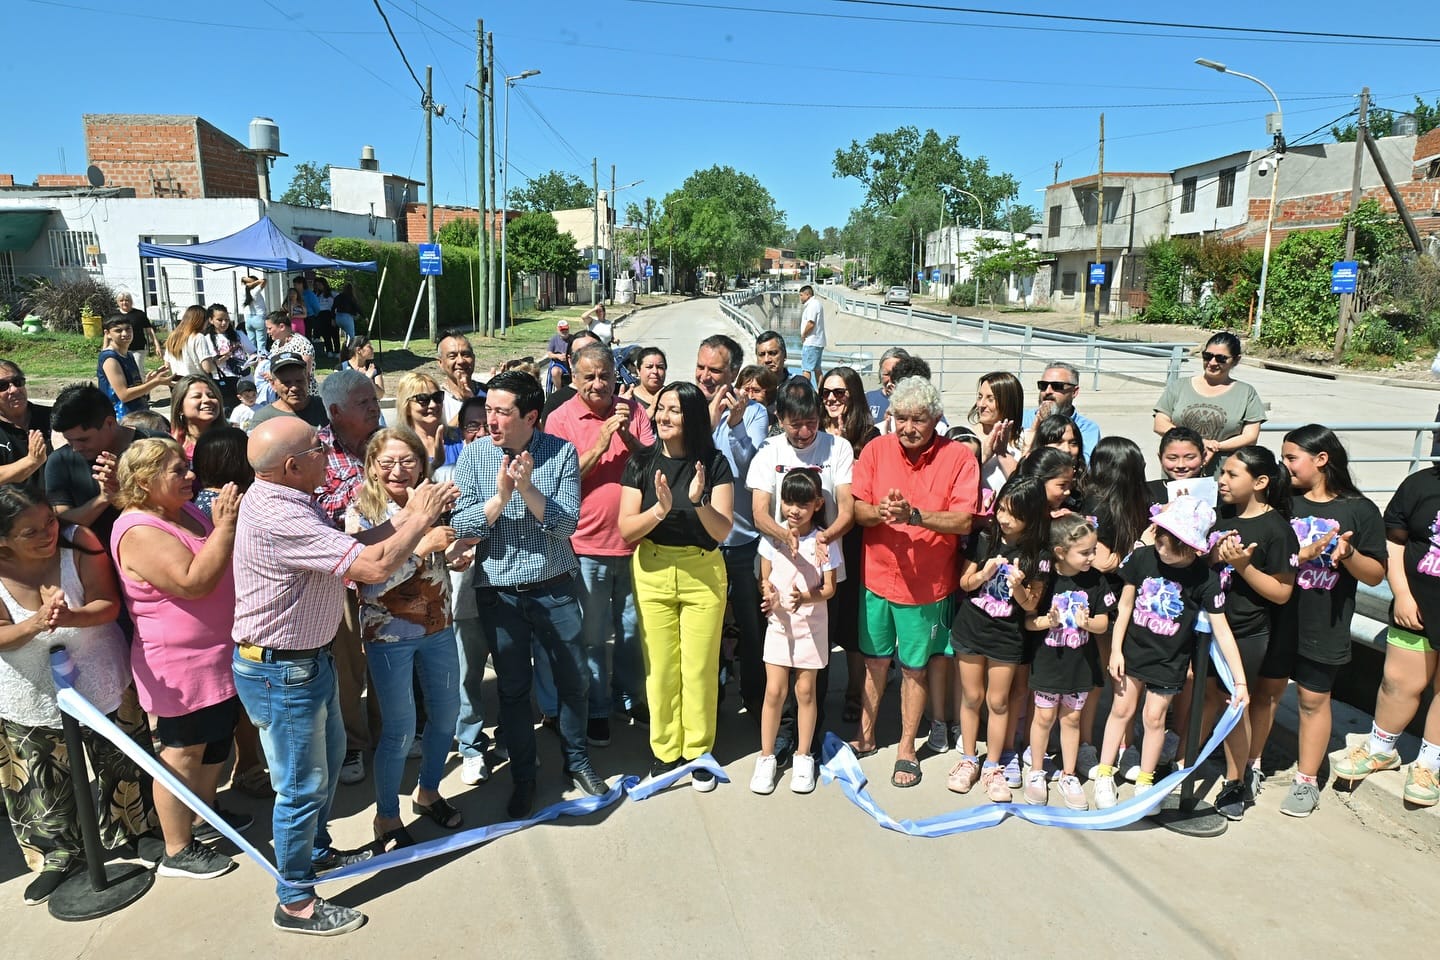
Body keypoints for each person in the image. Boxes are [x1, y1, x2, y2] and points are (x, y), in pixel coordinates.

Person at [231, 416, 456, 936]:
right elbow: (373, 570)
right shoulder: (281, 517)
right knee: (301, 787)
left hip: (305, 663)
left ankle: (314, 852)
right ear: (292, 466)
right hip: (283, 669)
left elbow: (360, 545)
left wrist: (408, 521)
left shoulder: (288, 499)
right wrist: (418, 522)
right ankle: (295, 903)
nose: (327, 455)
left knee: (326, 766)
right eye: (317, 449)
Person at [450, 371, 608, 819]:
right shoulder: (476, 454)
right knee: (515, 692)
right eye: (489, 410)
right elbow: (462, 525)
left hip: (554, 587)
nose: (490, 420)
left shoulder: (559, 454)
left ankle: (577, 761)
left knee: (573, 679)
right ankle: (524, 777)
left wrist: (527, 488)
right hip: (499, 594)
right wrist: (500, 497)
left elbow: (564, 525)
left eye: (502, 412)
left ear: (531, 417)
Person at [0, 486, 155, 905]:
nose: (48, 532)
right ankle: (58, 857)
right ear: (3, 541)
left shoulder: (78, 539)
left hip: (100, 672)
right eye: (30, 531)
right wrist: (35, 623)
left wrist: (70, 616)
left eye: (49, 520)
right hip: (28, 689)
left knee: (121, 760)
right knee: (42, 778)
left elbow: (107, 603)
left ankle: (138, 831)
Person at [112, 438, 244, 880]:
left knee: (215, 741)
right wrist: (224, 526)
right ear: (145, 482)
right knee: (183, 751)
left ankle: (204, 818)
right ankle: (177, 848)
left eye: (186, 466)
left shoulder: (180, 510)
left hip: (216, 653)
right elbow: (192, 582)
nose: (190, 475)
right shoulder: (139, 530)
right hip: (179, 664)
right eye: (177, 470)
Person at [849, 376, 980, 788]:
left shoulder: (959, 458)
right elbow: (857, 509)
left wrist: (915, 516)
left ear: (936, 419)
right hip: (876, 579)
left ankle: (907, 749)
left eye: (917, 420)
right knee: (873, 661)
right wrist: (881, 512)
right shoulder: (875, 449)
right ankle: (867, 736)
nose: (907, 428)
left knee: (915, 669)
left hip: (925, 587)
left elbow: (963, 520)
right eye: (900, 418)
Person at [1250, 425, 1386, 818]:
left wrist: (1348, 554)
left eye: (1292, 458)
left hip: (1323, 623)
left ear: (1321, 459)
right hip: (1277, 618)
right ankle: (1251, 766)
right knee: (1266, 694)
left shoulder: (1359, 510)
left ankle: (1306, 780)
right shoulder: (1282, 502)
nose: (1284, 465)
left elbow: (1376, 575)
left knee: (1313, 700)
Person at [345, 427, 468, 850]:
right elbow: (369, 584)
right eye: (388, 462)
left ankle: (429, 791)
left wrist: (452, 553)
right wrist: (421, 545)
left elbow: (441, 557)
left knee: (446, 714)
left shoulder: (431, 500)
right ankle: (386, 816)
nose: (399, 470)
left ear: (422, 461)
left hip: (439, 626)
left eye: (408, 460)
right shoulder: (361, 511)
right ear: (373, 468)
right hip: (389, 635)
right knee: (399, 730)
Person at [1092, 496, 1250, 809]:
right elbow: (1124, 606)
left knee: (1154, 718)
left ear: (1193, 548)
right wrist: (1116, 650)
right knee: (1121, 711)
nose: (1162, 550)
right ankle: (1105, 774)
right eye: (1161, 540)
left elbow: (1222, 630)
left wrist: (1240, 681)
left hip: (1170, 660)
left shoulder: (1206, 580)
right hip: (1132, 652)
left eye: (1172, 546)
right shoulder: (1142, 559)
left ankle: (1144, 782)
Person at [618, 381, 735, 789]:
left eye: (674, 410)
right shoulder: (640, 463)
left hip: (702, 572)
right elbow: (627, 529)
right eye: (661, 408)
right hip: (652, 571)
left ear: (693, 418)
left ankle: (698, 751)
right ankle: (666, 750)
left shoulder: (715, 463)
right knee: (662, 668)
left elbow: (722, 530)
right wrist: (660, 510)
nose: (663, 416)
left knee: (699, 667)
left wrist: (699, 501)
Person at [545, 345, 655, 744]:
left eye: (605, 375)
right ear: (574, 378)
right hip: (586, 545)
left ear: (615, 376)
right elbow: (558, 478)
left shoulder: (633, 411)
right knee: (591, 635)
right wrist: (600, 446)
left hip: (634, 541)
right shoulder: (560, 419)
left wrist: (625, 432)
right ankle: (597, 707)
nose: (598, 384)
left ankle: (631, 697)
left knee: (631, 630)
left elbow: (653, 461)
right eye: (589, 376)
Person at [746, 376, 854, 747]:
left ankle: (810, 735)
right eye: (796, 424)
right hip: (777, 567)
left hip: (823, 564)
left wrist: (823, 537)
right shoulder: (769, 452)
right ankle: (781, 734)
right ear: (780, 418)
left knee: (815, 661)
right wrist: (784, 536)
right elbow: (760, 512)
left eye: (812, 422)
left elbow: (847, 507)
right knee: (778, 655)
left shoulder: (837, 448)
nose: (806, 431)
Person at [1335, 451, 1440, 808]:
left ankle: (1429, 764)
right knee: (1397, 682)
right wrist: (1403, 594)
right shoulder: (1421, 484)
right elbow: (1394, 542)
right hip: (1418, 607)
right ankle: (1381, 750)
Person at [1204, 446, 1297, 820]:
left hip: (1246, 631)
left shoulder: (1277, 530)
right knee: (1208, 695)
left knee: (1234, 703)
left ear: (1260, 483)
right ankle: (1184, 761)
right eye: (1222, 473)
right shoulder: (1222, 515)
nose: (1222, 481)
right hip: (1210, 624)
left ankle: (1235, 781)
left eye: (1231, 475)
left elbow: (1282, 591)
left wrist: (1243, 566)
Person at [947, 475, 1048, 801]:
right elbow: (963, 584)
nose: (1004, 519)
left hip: (1007, 637)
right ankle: (967, 760)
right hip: (971, 629)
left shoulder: (1039, 554)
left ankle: (993, 766)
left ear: (1031, 517)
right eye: (1001, 509)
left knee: (998, 701)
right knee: (972, 697)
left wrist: (1017, 585)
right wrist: (983, 574)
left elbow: (1032, 604)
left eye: (1013, 514)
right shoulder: (986, 537)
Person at [693, 335, 770, 734]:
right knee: (704, 633)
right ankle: (709, 703)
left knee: (751, 630)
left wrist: (735, 425)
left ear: (733, 374)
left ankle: (757, 701)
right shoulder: (687, 405)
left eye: (715, 370)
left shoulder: (754, 413)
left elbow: (746, 468)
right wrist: (704, 416)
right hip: (698, 545)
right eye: (701, 367)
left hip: (741, 545)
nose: (705, 376)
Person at [314, 370, 386, 786]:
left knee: (388, 654)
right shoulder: (316, 450)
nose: (374, 405)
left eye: (373, 398)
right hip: (341, 573)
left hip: (389, 566)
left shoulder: (385, 442)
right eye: (364, 402)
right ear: (337, 411)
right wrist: (362, 492)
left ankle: (390, 732)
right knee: (346, 665)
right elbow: (315, 510)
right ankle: (353, 745)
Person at [751, 469, 839, 795]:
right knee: (774, 691)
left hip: (811, 625)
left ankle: (803, 757)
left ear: (817, 504)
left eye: (802, 503)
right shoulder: (772, 538)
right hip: (779, 625)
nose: (793, 510)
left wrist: (806, 596)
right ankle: (766, 757)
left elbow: (829, 588)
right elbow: (766, 579)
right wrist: (769, 595)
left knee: (805, 692)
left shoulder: (824, 541)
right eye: (788, 501)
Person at [1023, 514, 1116, 809]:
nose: (1092, 557)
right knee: (1044, 718)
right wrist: (1045, 622)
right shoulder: (1046, 580)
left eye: (1093, 550)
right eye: (1085, 552)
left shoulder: (1097, 580)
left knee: (1072, 719)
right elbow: (1028, 622)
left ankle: (1068, 774)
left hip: (1080, 666)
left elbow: (1104, 622)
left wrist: (1087, 623)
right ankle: (1037, 771)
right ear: (1061, 552)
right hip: (1049, 663)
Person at [820, 365, 879, 723]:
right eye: (826, 392)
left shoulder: (870, 437)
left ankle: (856, 694)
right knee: (823, 619)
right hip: (819, 537)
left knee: (855, 625)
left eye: (839, 393)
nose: (830, 399)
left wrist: (848, 454)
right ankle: (819, 691)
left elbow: (868, 489)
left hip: (856, 541)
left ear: (853, 396)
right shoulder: (814, 431)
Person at [44, 383, 166, 551]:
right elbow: (62, 522)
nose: (75, 448)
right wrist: (104, 498)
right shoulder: (60, 462)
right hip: (97, 564)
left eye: (83, 440)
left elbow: (179, 503)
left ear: (110, 422)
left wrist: (129, 486)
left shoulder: (157, 445)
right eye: (69, 440)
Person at [1153, 333, 1265, 476]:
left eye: (1221, 358)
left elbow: (1250, 437)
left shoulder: (1246, 392)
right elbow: (1160, 424)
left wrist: (1215, 447)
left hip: (1224, 475)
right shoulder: (1179, 387)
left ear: (1236, 360)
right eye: (1207, 356)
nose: (1212, 362)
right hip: (1179, 472)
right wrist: (1199, 443)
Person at [1020, 362, 1102, 460]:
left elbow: (1085, 465)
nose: (1048, 391)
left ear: (1074, 392)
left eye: (1057, 386)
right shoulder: (1022, 419)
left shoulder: (1087, 429)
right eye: (1043, 385)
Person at [969, 371, 1024, 510]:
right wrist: (983, 458)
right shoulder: (966, 438)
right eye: (980, 397)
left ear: (1008, 403)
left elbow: (1026, 488)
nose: (981, 404)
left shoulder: (1024, 441)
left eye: (990, 399)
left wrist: (1002, 454)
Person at [98, 315, 169, 420]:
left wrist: (149, 382)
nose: (125, 334)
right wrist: (155, 382)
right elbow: (124, 395)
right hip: (119, 418)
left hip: (137, 412)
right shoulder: (110, 358)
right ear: (107, 334)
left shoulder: (129, 355)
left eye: (128, 329)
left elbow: (135, 390)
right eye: (118, 331)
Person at [394, 373, 465, 479]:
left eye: (437, 397)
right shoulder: (398, 446)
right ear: (406, 407)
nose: (433, 405)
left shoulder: (461, 438)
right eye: (423, 399)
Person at [0, 361, 52, 498]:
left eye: (18, 382)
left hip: (62, 509)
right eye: (2, 386)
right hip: (13, 514)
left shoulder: (53, 417)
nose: (14, 390)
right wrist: (32, 461)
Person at [247, 353, 329, 430]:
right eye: (286, 383)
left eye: (299, 381)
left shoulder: (326, 408)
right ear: (273, 384)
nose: (294, 388)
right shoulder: (263, 420)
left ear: (307, 379)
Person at [542, 330, 603, 421]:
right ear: (570, 361)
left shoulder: (620, 395)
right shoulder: (555, 403)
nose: (588, 359)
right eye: (580, 354)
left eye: (595, 353)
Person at [1147, 426, 1208, 508]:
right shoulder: (1146, 492)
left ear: (1203, 457)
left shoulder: (1216, 494)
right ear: (1160, 458)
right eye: (1172, 458)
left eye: (1189, 457)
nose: (1181, 465)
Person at [264, 310, 318, 397]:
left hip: (302, 393)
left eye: (270, 328)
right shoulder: (276, 344)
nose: (267, 332)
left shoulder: (302, 343)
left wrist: (274, 375)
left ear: (281, 327)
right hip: (284, 393)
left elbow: (305, 371)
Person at [169, 375, 225, 459]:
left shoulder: (234, 440)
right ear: (180, 407)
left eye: (211, 396)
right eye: (197, 396)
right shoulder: (169, 444)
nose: (207, 400)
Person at [437, 333, 487, 427]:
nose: (460, 361)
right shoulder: (436, 401)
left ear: (474, 358)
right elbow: (444, 438)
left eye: (466, 355)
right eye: (452, 356)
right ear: (441, 363)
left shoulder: (489, 393)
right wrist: (468, 403)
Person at [163, 305, 221, 380]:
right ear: (201, 321)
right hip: (195, 382)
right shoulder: (198, 337)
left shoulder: (173, 337)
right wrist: (214, 362)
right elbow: (207, 368)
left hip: (176, 381)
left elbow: (167, 365)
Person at [115, 291, 161, 372]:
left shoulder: (139, 314)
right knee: (123, 371)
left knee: (137, 370)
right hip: (120, 348)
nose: (124, 302)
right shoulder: (114, 316)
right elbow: (108, 333)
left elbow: (149, 330)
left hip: (138, 348)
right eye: (121, 301)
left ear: (131, 302)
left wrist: (156, 345)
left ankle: (141, 383)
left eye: (127, 300)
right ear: (118, 302)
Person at [865, 347, 909, 425]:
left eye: (897, 374)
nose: (891, 379)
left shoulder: (914, 402)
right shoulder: (868, 399)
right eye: (886, 374)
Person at [797, 284, 826, 383]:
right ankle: (821, 393)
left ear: (808, 295)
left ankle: (805, 393)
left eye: (801, 295)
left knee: (806, 370)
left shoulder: (812, 305)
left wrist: (803, 335)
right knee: (817, 370)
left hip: (811, 342)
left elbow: (811, 323)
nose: (800, 297)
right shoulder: (816, 304)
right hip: (818, 342)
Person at [631, 346, 667, 417]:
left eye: (660, 367)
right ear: (638, 370)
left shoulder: (672, 396)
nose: (655, 371)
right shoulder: (629, 398)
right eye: (649, 367)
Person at [310, 277, 340, 357]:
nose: (318, 286)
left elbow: (338, 301)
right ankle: (329, 350)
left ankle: (337, 351)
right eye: (317, 285)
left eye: (320, 285)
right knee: (326, 334)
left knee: (334, 333)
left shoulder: (332, 293)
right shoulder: (316, 294)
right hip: (320, 315)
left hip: (330, 314)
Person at [240, 275, 268, 352]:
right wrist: (255, 283)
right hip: (259, 318)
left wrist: (250, 283)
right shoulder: (255, 291)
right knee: (261, 343)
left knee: (251, 343)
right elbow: (264, 280)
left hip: (248, 319)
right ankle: (261, 359)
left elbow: (242, 279)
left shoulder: (242, 290)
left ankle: (252, 360)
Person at [544, 319, 573, 394]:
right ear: (558, 329)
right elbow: (549, 354)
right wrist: (558, 356)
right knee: (554, 372)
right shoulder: (554, 339)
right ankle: (559, 391)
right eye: (562, 330)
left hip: (571, 362)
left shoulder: (573, 338)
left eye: (566, 329)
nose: (564, 331)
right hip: (559, 363)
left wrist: (569, 356)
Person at [332, 282, 361, 349]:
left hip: (338, 317)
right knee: (351, 336)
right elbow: (357, 307)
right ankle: (350, 351)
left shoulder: (338, 297)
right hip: (347, 317)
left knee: (347, 335)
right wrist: (364, 317)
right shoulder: (351, 298)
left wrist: (333, 319)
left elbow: (333, 308)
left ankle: (344, 349)